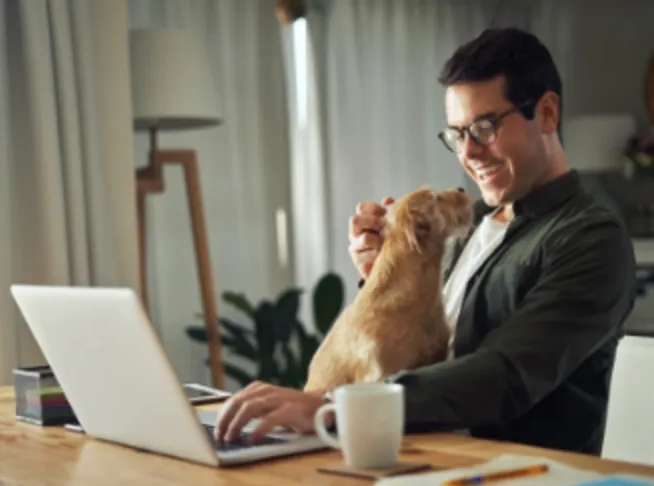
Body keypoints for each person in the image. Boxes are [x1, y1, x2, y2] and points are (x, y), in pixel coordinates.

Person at [213, 27, 637, 455]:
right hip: (413, 459)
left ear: (547, 113)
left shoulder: (591, 238)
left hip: (510, 481)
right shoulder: (467, 230)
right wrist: (386, 277)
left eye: (485, 127)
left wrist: (332, 408)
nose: (468, 152)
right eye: (457, 134)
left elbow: (503, 377)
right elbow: (431, 348)